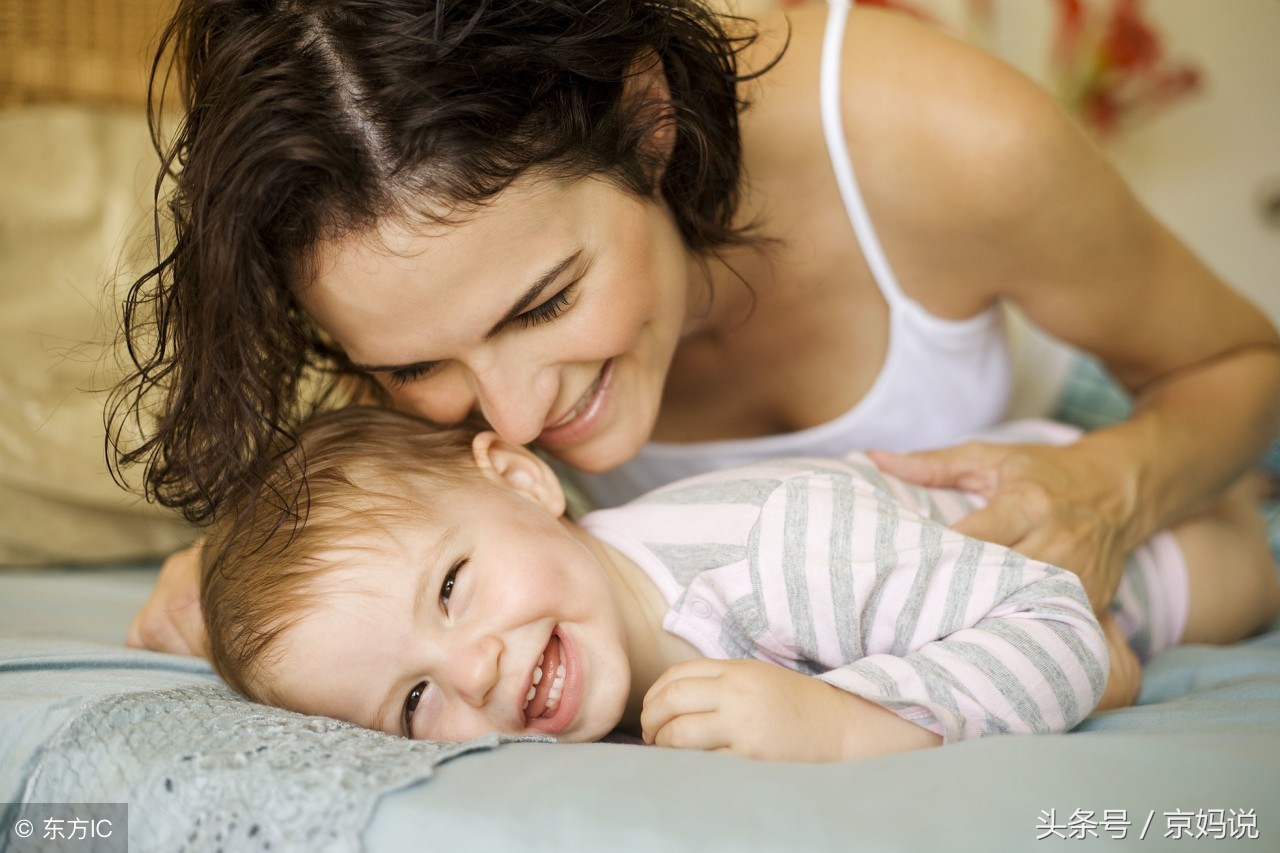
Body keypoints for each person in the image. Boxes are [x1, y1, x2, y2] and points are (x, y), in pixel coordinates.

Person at [118, 0, 1280, 657]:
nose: (511, 416)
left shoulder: (949, 145)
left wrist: (1109, 486)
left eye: (544, 303)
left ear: (648, 121)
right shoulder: (397, 303)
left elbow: (1244, 364)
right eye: (414, 364)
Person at [198, 408, 1279, 760]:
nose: (471, 669)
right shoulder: (577, 665)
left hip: (1106, 540)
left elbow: (1059, 624)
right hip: (950, 588)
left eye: (450, 588)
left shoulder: (777, 548)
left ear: (523, 480)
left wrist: (841, 722)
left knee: (1247, 570)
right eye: (411, 700)